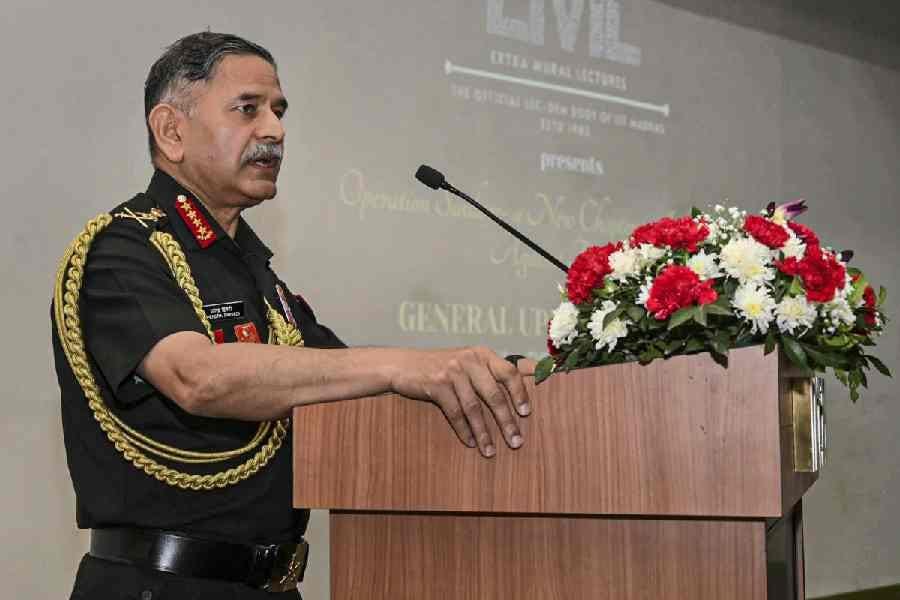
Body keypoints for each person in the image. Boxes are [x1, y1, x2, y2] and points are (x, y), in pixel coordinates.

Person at [52, 32, 534, 599]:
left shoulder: (255, 273)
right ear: (171, 131)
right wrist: (407, 364)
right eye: (248, 109)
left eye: (279, 112)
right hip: (161, 587)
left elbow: (350, 380)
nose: (275, 131)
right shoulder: (121, 249)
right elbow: (198, 377)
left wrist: (513, 373)